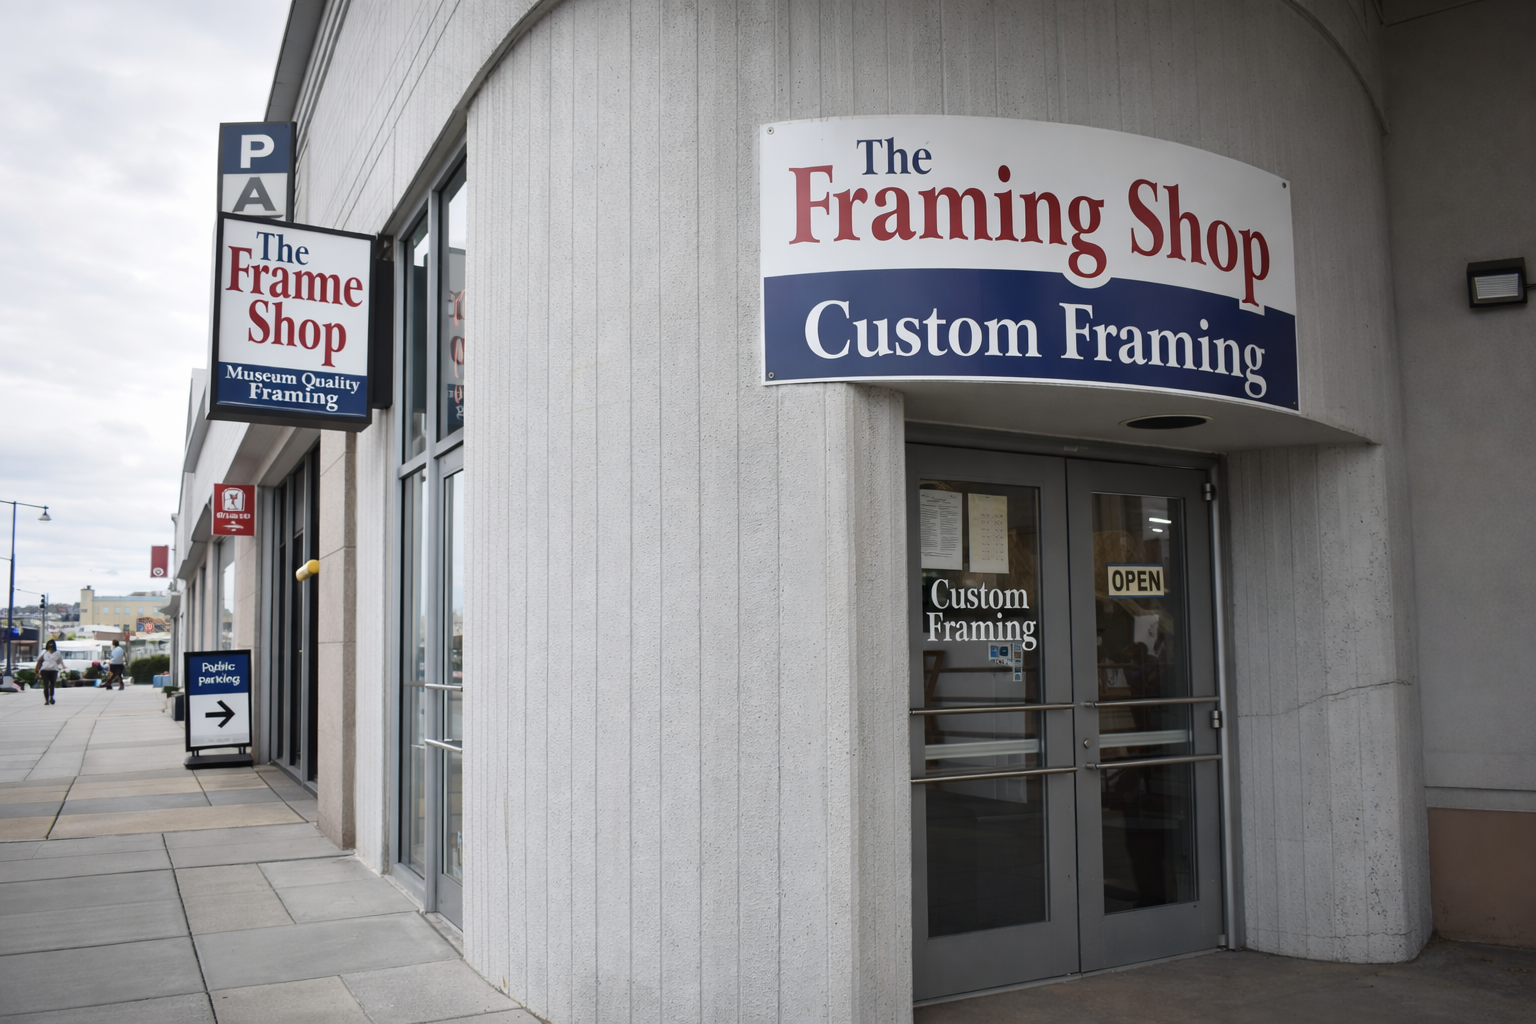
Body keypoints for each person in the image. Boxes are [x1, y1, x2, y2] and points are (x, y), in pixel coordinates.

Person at [35, 640, 64, 705]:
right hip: (45, 670)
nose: (50, 647)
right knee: (46, 685)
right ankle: (47, 700)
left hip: (54, 670)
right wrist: (37, 669)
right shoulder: (44, 652)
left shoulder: (57, 653)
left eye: (51, 646)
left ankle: (51, 697)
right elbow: (39, 661)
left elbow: (60, 661)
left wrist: (62, 666)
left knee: (52, 685)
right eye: (49, 646)